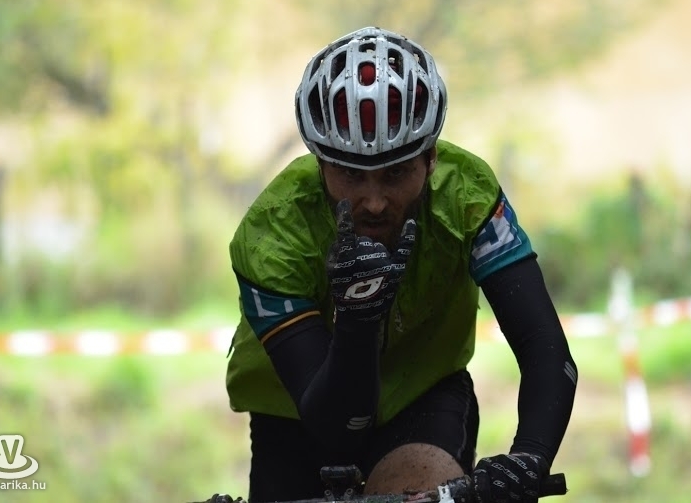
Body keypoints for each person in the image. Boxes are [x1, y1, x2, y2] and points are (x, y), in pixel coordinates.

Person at [226, 26, 578, 503]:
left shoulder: (466, 195)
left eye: (395, 173)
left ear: (431, 159)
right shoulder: (272, 234)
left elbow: (544, 348)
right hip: (295, 412)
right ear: (320, 164)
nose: (374, 201)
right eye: (351, 174)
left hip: (421, 396)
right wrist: (356, 321)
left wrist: (528, 458)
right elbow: (336, 428)